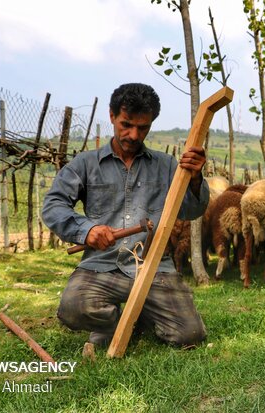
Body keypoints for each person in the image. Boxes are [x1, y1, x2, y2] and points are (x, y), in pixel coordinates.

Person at [42, 83, 209, 348]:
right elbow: (53, 205)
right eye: (126, 124)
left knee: (189, 335)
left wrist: (196, 178)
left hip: (154, 268)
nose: (133, 134)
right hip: (101, 266)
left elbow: (192, 210)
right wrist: (86, 230)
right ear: (111, 116)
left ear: (151, 123)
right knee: (73, 308)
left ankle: (140, 314)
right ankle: (119, 321)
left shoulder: (167, 166)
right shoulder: (85, 164)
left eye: (142, 127)